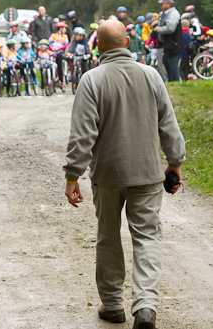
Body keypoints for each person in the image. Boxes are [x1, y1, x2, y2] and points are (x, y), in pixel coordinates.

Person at [63, 20, 185, 329]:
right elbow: (168, 125)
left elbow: (82, 135)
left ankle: (114, 305)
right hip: (147, 173)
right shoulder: (151, 75)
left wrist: (73, 176)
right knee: (147, 238)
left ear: (98, 46)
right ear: (128, 40)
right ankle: (145, 307)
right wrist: (174, 162)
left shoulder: (91, 80)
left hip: (107, 174)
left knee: (108, 236)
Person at [154, 0, 183, 83]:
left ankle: (175, 81)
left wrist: (158, 29)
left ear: (168, 4)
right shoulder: (167, 14)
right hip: (168, 44)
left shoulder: (173, 14)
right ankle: (171, 81)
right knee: (166, 61)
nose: (161, 5)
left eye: (162, 4)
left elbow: (170, 28)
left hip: (173, 43)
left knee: (172, 63)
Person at [49, 22, 70, 86]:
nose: (65, 30)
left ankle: (61, 81)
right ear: (60, 29)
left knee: (60, 66)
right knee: (51, 64)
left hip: (60, 52)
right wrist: (52, 48)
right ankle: (53, 77)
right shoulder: (53, 35)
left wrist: (60, 48)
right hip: (53, 52)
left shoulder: (65, 36)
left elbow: (66, 44)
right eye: (64, 28)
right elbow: (49, 43)